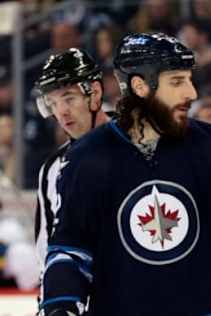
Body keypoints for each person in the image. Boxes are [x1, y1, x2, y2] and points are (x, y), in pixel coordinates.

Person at [38, 33, 211, 316]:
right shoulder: (87, 158)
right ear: (140, 86)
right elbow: (71, 251)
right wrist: (60, 307)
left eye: (188, 79)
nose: (191, 93)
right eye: (176, 82)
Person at [34, 48, 110, 271]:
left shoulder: (140, 145)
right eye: (53, 103)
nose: (61, 112)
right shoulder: (51, 169)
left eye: (69, 98)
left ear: (95, 93)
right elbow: (47, 251)